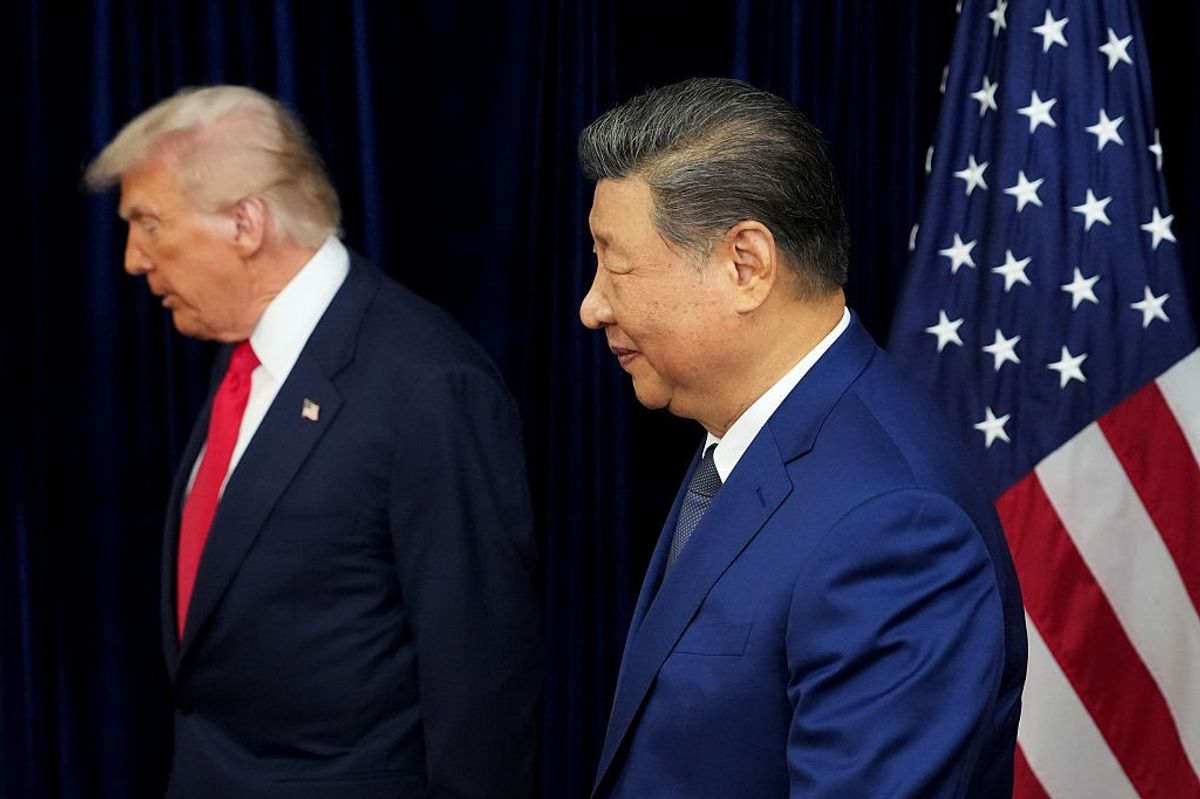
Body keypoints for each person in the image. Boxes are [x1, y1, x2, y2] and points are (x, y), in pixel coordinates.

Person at [84, 85, 540, 799]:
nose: (134, 260)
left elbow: (481, 687)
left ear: (245, 223)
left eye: (147, 224)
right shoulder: (245, 358)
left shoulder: (427, 384)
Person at [577, 77, 1026, 798]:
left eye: (616, 262)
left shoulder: (896, 529)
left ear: (746, 264)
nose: (592, 304)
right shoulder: (747, 428)